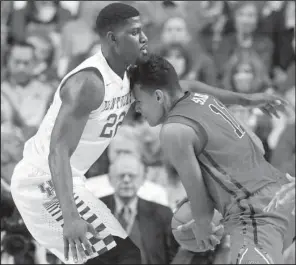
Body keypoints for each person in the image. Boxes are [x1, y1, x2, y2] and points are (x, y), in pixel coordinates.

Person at [10, 2, 287, 264]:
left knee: (126, 256)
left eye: (142, 29)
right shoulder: (88, 84)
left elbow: (180, 86)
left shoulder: (129, 75)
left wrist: (246, 99)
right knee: (118, 258)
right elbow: (57, 151)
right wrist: (70, 216)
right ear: (112, 39)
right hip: (44, 182)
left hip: (74, 181)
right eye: (133, 32)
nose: (143, 37)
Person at [130, 54, 292, 264]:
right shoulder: (194, 94)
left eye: (139, 101)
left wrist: (203, 229)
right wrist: (248, 100)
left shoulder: (173, 131)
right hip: (285, 193)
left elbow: (199, 199)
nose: (137, 109)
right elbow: (258, 148)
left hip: (255, 217)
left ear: (159, 96)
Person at [100, 154, 179, 264]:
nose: (126, 180)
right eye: (121, 176)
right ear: (110, 179)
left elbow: (174, 255)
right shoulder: (93, 210)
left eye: (132, 176)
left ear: (143, 179)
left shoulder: (162, 214)